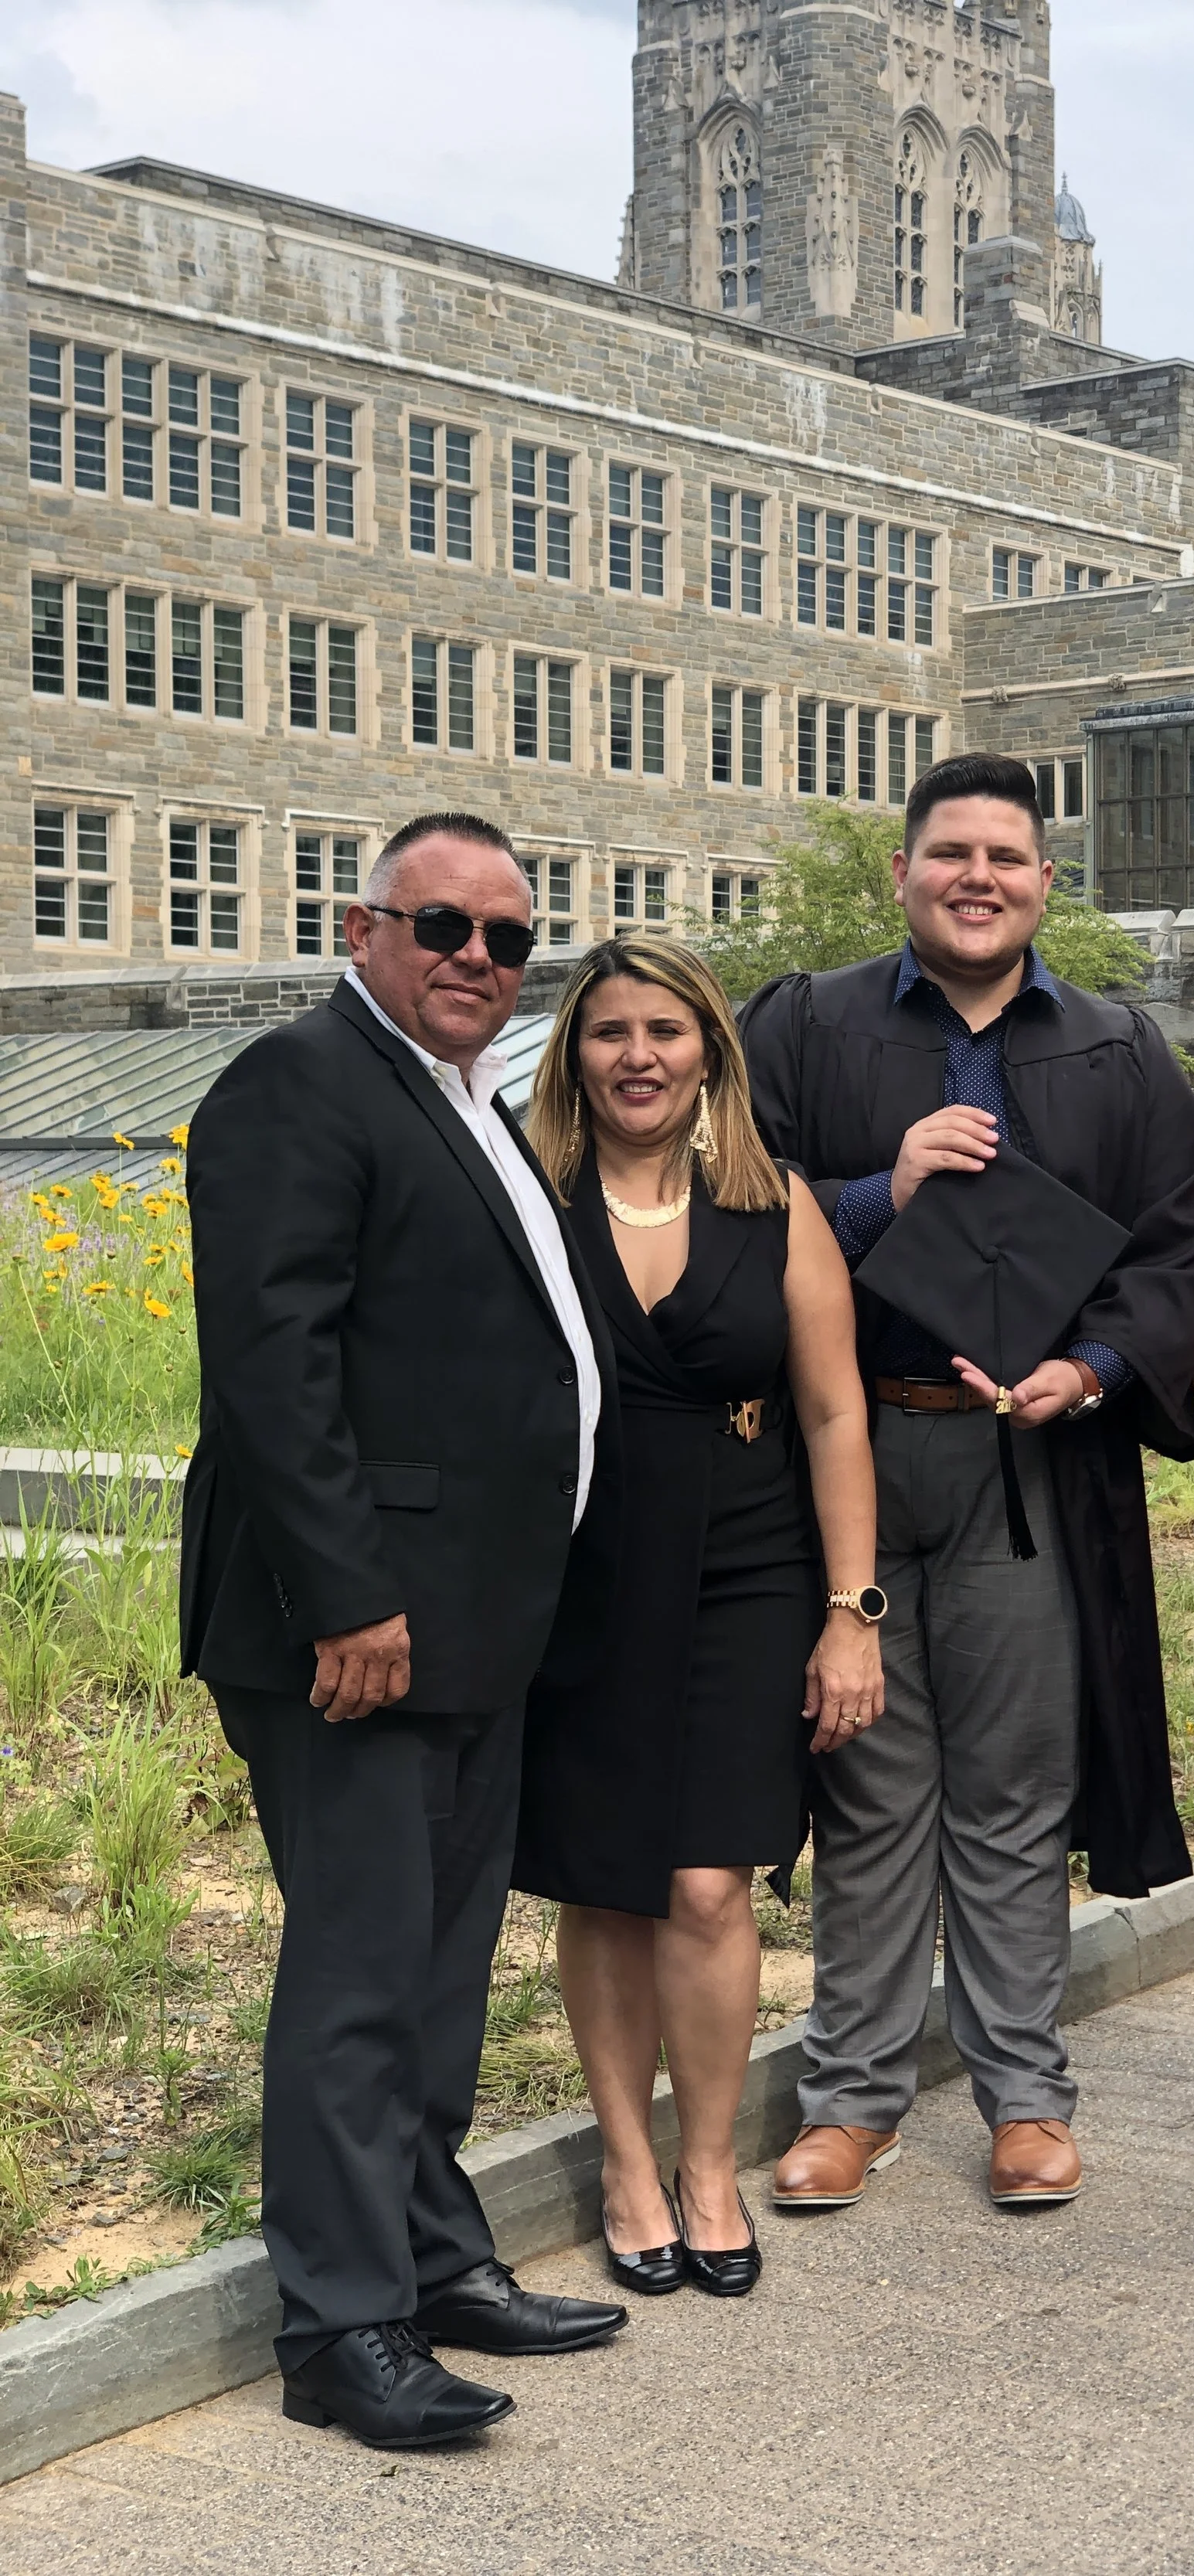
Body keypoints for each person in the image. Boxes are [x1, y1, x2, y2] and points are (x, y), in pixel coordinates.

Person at [181, 813, 628, 2451]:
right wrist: (347, 1595)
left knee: (438, 1971)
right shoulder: (299, 1084)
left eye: (510, 942)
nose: (477, 962)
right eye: (444, 927)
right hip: (356, 1629)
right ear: (362, 924)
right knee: (361, 1976)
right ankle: (338, 2322)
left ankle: (431, 2257)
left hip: (476, 1623)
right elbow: (270, 1367)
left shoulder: (464, 1096)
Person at [740, 752, 1194, 2215]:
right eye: (950, 852)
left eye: (1007, 858)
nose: (978, 878)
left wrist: (1090, 1367)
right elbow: (724, 1197)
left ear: (1045, 885)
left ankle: (1025, 2091)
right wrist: (879, 1189)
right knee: (870, 1781)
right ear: (901, 872)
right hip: (852, 1455)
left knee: (1015, 1790)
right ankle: (856, 2095)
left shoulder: (1117, 1049)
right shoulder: (811, 1025)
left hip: (1032, 1462)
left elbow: (1177, 1247)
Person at [513, 935, 883, 2300]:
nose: (639, 1056)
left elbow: (837, 1411)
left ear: (710, 1050)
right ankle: (625, 2160)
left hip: (747, 1567)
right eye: (609, 1032)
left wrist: (852, 1612)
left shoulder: (773, 1203)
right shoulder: (533, 1203)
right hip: (585, 1576)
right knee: (608, 1875)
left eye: (665, 1030)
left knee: (713, 1877)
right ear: (576, 1055)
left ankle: (710, 2160)